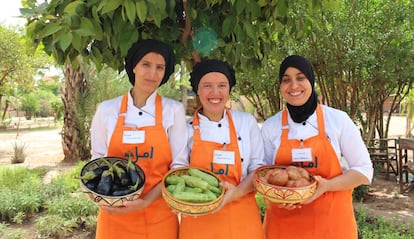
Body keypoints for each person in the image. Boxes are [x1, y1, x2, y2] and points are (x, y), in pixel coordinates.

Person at [261, 55, 374, 239]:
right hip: (283, 227)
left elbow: (364, 171)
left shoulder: (337, 120)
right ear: (280, 86)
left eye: (300, 78)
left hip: (332, 226)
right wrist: (274, 197)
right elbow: (262, 176)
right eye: (286, 80)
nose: (294, 86)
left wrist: (327, 186)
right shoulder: (270, 127)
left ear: (311, 81)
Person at [90, 39, 188, 239]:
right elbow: (97, 160)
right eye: (146, 64)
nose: (152, 73)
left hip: (159, 215)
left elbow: (178, 167)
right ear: (133, 66)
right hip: (114, 213)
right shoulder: (107, 110)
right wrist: (101, 198)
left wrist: (146, 201)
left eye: (160, 67)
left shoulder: (173, 110)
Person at [172, 59, 265, 239]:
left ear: (229, 89)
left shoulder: (246, 123)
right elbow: (178, 170)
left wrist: (236, 192)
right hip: (198, 218)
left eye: (222, 85)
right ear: (197, 90)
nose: (215, 93)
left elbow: (257, 168)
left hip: (242, 219)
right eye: (207, 86)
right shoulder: (186, 128)